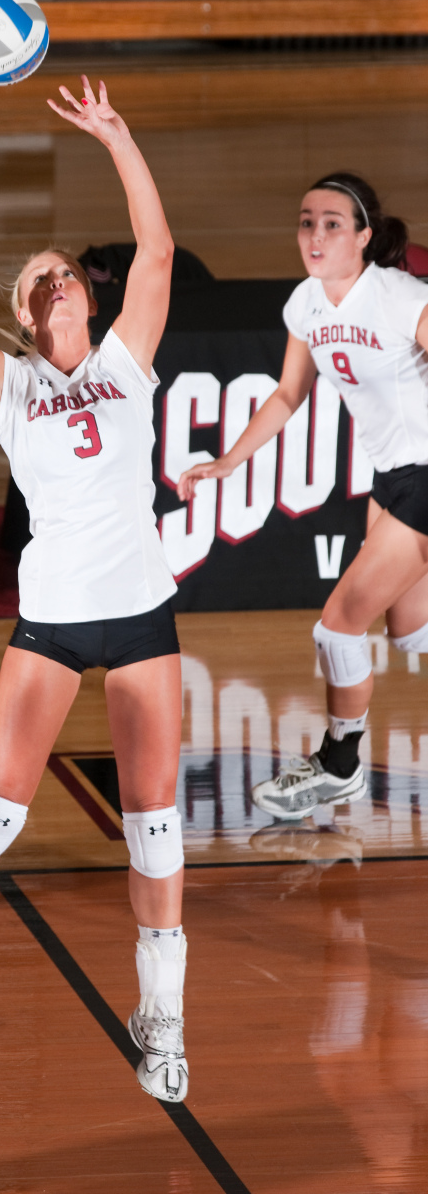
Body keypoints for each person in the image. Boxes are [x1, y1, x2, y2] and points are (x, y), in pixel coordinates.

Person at [0, 78, 190, 1103]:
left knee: (151, 825)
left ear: (85, 296)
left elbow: (154, 249)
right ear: (19, 313)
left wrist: (115, 132)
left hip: (139, 612)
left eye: (62, 271)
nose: (52, 281)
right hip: (50, 619)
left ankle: (162, 1016)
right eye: (34, 280)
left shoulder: (126, 360)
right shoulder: (10, 386)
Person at [179, 173, 428, 819]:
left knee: (337, 628)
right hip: (391, 476)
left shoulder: (401, 299)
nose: (315, 235)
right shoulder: (305, 305)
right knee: (410, 631)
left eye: (332, 223)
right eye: (305, 221)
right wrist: (228, 460)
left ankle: (338, 763)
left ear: (364, 237)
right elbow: (289, 394)